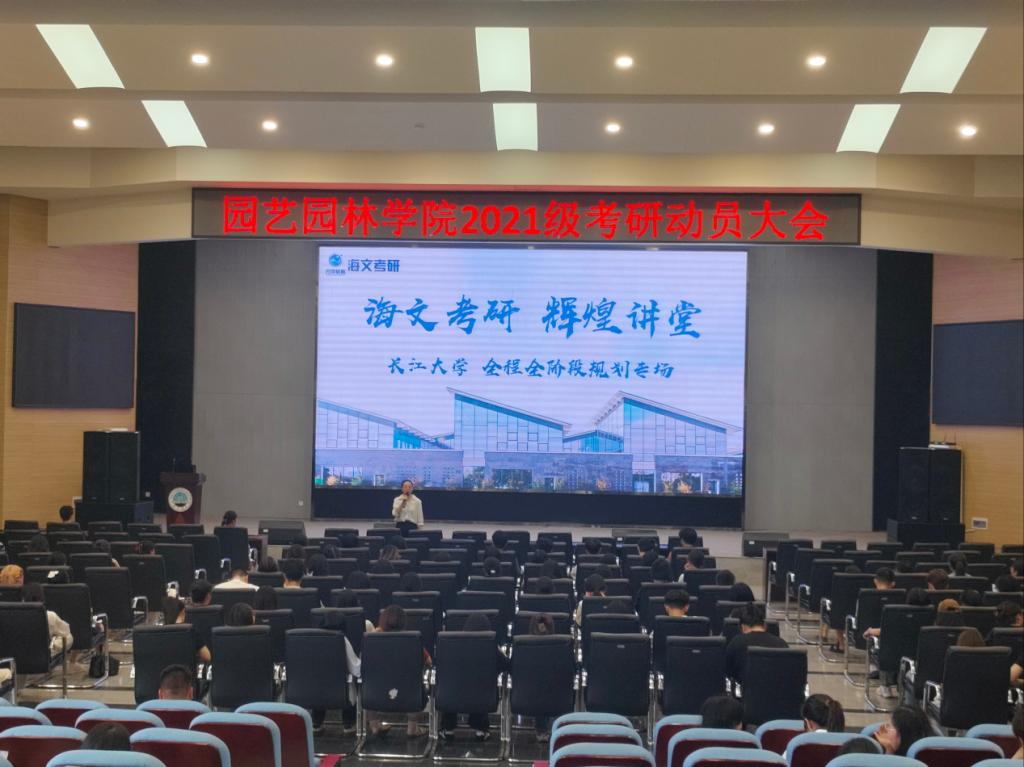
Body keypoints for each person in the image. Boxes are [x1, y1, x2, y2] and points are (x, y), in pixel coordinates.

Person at [439, 612, 508, 741]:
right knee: (480, 684)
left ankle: (447, 729)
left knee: (452, 683)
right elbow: (506, 665)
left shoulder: (450, 645)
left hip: (451, 697)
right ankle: (481, 730)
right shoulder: (491, 647)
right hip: (482, 698)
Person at [368, 605, 430, 738]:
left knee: (369, 682)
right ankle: (412, 728)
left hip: (374, 695)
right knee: (414, 683)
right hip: (408, 695)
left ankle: (374, 725)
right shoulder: (413, 640)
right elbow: (428, 662)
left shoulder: (371, 640)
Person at [724, 603, 787, 683]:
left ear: (742, 627)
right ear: (764, 625)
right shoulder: (782, 644)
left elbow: (727, 672)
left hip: (746, 690)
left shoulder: (736, 642)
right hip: (777, 689)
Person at [22, 582, 72, 656]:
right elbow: (67, 635)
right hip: (42, 658)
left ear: (23, 599)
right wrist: (53, 647)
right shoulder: (49, 616)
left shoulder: (13, 616)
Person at [528, 613, 556, 742]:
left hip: (526, 697)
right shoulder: (563, 648)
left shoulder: (521, 647)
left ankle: (542, 729)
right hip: (557, 698)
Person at [163, 595, 211, 663]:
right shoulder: (190, 631)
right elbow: (207, 657)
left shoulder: (156, 633)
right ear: (183, 612)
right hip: (187, 669)